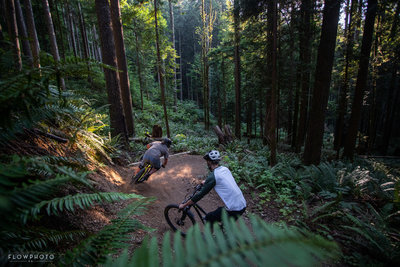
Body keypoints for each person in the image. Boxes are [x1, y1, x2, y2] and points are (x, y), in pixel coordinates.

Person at [179, 150, 246, 225]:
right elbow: (221, 179)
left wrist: (184, 205)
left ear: (210, 162)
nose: (207, 162)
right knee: (219, 215)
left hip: (234, 209)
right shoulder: (224, 169)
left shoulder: (214, 176)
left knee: (209, 218)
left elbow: (200, 195)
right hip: (242, 203)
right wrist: (206, 181)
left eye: (207, 161)